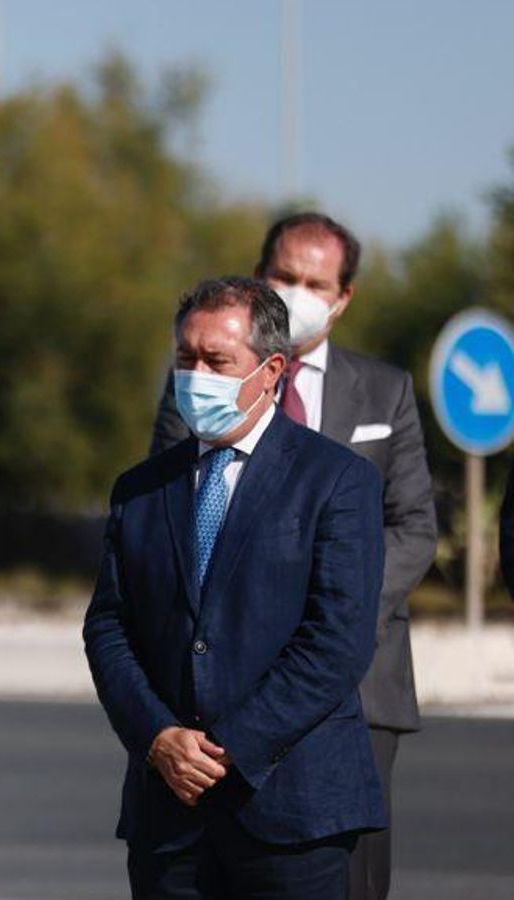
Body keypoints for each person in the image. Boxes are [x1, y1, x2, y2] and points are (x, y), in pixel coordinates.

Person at [150, 213, 434, 900]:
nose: (299, 292)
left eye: (316, 282)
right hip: (222, 687)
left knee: (349, 877)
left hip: (358, 682)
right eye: (285, 277)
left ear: (344, 297)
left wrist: (330, 608)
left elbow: (414, 526)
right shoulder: (200, 382)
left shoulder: (384, 391)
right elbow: (167, 518)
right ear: (258, 274)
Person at [87, 278, 387, 899]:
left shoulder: (337, 483)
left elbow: (336, 641)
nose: (197, 375)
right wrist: (157, 737)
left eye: (216, 361)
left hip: (292, 816)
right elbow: (109, 626)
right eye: (185, 358)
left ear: (271, 369)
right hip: (169, 820)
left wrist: (228, 749)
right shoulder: (141, 489)